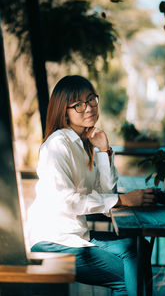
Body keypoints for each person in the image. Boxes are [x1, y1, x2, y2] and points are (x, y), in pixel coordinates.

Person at [27, 75, 155, 296]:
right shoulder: (57, 146)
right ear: (64, 111)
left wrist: (104, 151)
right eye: (78, 104)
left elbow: (106, 192)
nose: (88, 108)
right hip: (52, 240)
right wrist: (124, 200)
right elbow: (68, 202)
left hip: (77, 234)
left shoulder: (82, 144)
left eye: (91, 100)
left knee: (138, 247)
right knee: (126, 277)